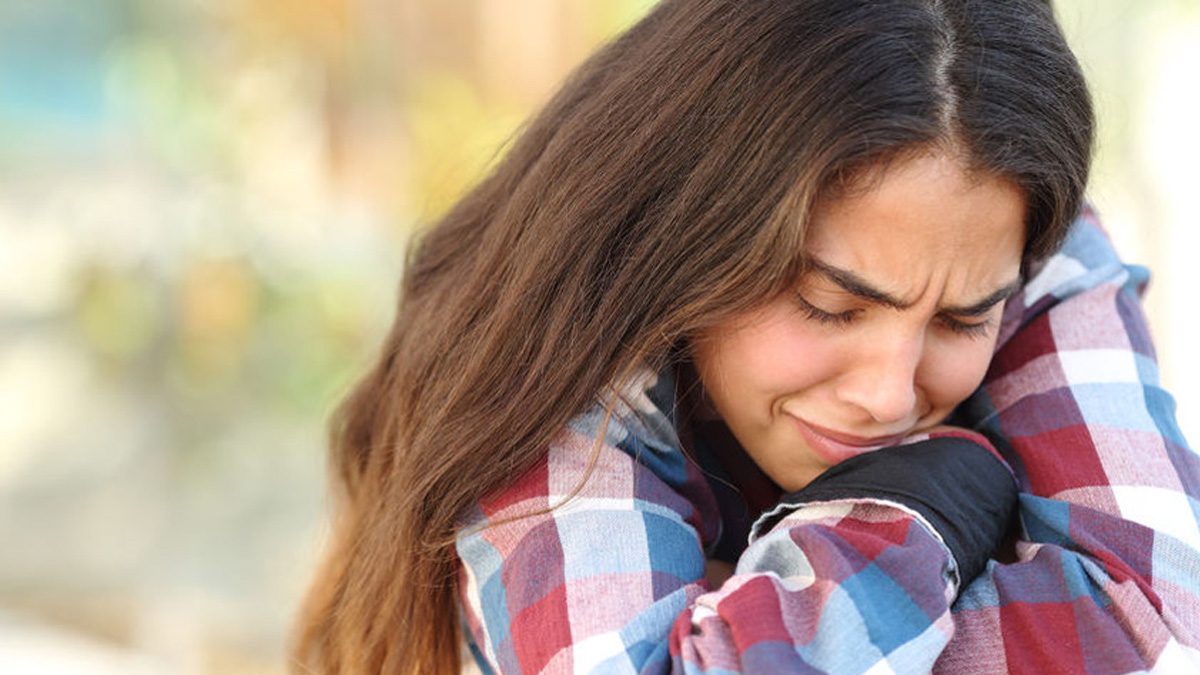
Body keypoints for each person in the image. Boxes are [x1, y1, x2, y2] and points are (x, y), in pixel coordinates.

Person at [291, 0, 1200, 673]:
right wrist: (928, 500)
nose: (889, 394)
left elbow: (1161, 631)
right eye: (829, 305)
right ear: (695, 233)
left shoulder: (1015, 234)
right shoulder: (555, 362)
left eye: (964, 321)